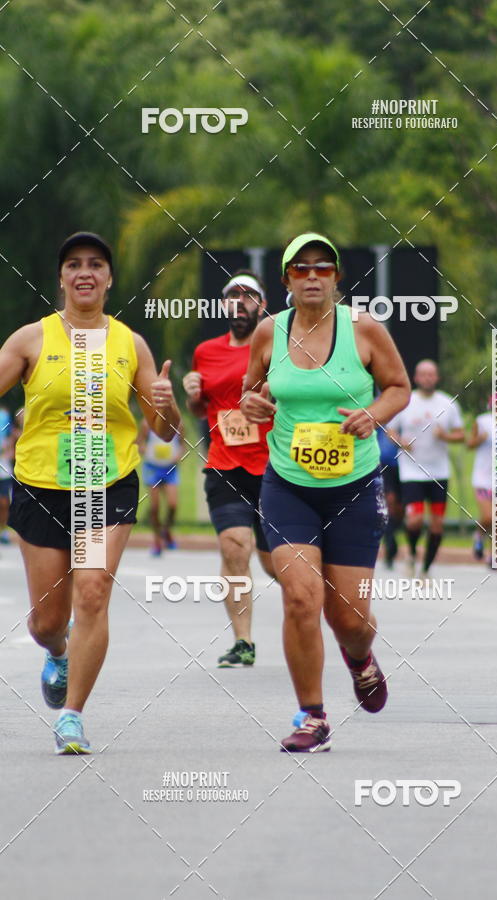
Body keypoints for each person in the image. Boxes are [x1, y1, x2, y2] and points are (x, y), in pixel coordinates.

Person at [2, 231, 181, 754]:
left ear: (109, 279)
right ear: (61, 278)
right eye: (74, 264)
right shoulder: (30, 339)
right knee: (46, 620)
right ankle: (56, 650)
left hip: (106, 483)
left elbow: (166, 432)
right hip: (40, 485)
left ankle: (73, 718)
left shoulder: (130, 343)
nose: (85, 272)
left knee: (93, 593)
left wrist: (167, 404)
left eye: (96, 264)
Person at [240, 232, 410, 752]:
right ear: (286, 279)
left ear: (336, 277)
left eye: (323, 268)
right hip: (288, 484)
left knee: (350, 620)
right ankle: (312, 715)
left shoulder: (365, 331)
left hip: (354, 487)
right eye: (301, 269)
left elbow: (398, 387)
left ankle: (360, 658)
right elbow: (251, 391)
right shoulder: (269, 332)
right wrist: (252, 405)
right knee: (300, 598)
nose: (312, 277)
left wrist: (372, 415)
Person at [183, 270, 276, 668]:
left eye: (248, 297)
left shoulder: (277, 346)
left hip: (274, 466)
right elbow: (200, 409)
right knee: (234, 546)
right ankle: (244, 641)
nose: (240, 305)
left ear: (262, 304)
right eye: (232, 298)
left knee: (279, 563)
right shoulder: (206, 351)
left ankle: (308, 618)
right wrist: (190, 395)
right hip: (225, 464)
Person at [388, 359, 464, 578]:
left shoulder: (448, 404)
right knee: (415, 520)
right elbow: (390, 430)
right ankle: (411, 553)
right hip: (411, 471)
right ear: (416, 377)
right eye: (423, 374)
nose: (428, 378)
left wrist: (446, 436)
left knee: (438, 525)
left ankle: (426, 568)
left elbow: (461, 434)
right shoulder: (406, 402)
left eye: (431, 374)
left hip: (439, 472)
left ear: (437, 377)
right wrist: (401, 441)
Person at [138, 419, 185, 555]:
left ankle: (166, 530)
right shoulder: (147, 424)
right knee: (155, 507)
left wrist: (178, 456)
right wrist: (145, 450)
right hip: (153, 468)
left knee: (173, 504)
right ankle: (157, 541)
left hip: (170, 469)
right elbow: (139, 443)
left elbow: (183, 446)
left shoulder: (178, 424)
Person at [466, 400, 493, 564]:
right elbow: (469, 444)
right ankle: (479, 534)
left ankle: (493, 555)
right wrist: (480, 439)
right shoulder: (482, 421)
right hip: (483, 478)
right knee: (488, 517)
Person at [377, 425, 403, 568]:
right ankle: (390, 544)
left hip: (407, 464)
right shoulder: (378, 403)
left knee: (400, 509)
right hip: (385, 462)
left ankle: (393, 534)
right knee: (390, 502)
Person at [0, 404, 17, 542]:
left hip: (3, 466)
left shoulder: (4, 415)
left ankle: (3, 531)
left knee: (4, 501)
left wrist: (9, 451)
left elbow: (11, 436)